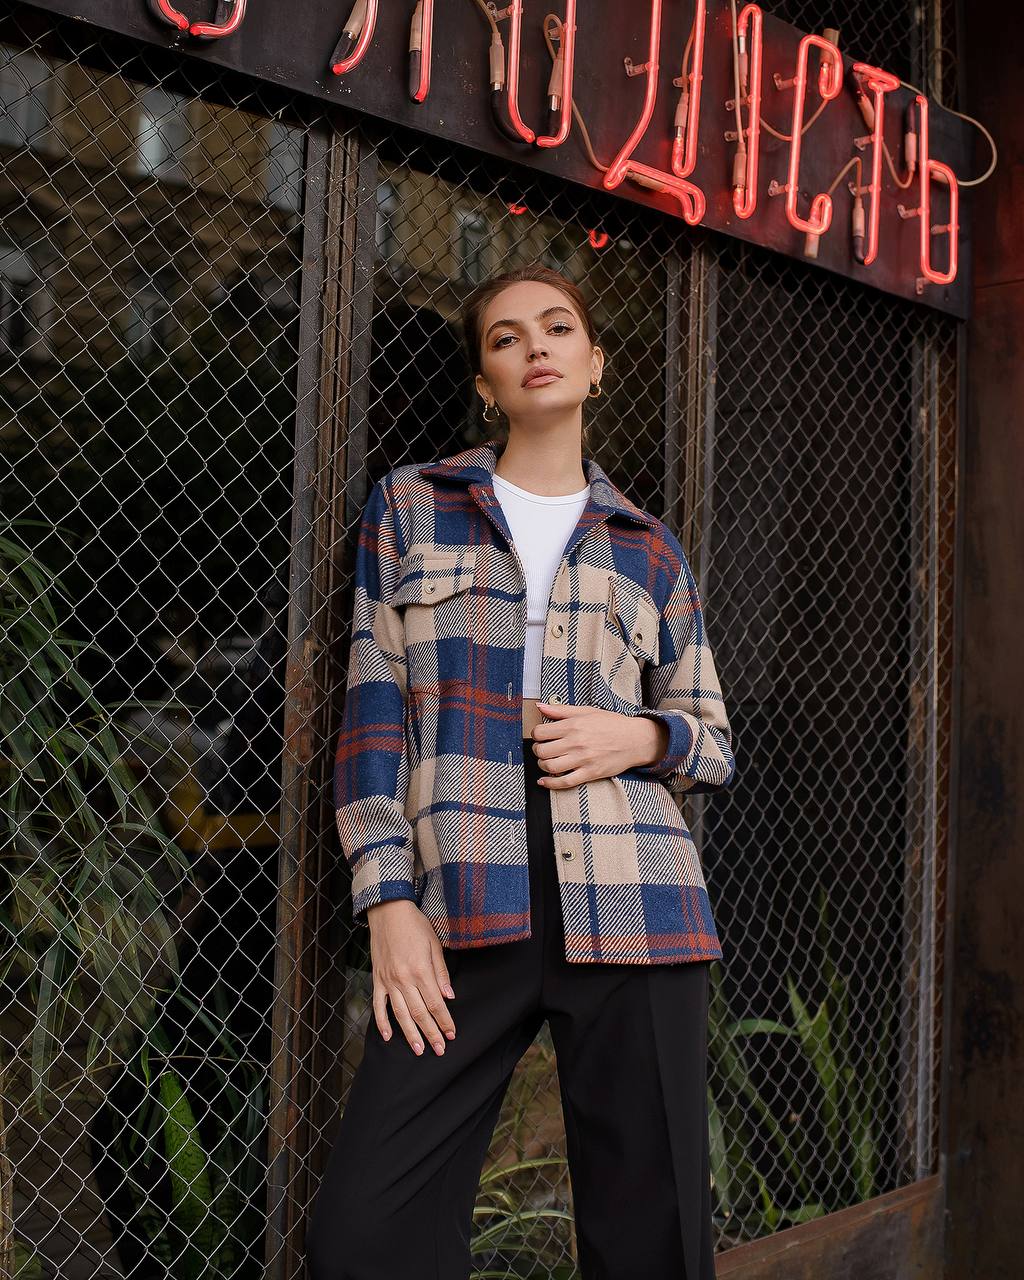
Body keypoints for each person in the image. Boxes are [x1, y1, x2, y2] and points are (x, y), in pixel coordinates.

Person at [307, 264, 736, 1280]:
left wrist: (636, 739)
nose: (532, 345)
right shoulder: (411, 506)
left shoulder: (649, 547)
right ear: (486, 383)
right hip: (464, 897)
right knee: (364, 1234)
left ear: (595, 365)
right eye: (504, 337)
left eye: (555, 328)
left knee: (654, 1236)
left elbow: (708, 734)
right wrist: (388, 901)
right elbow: (372, 714)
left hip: (635, 898)